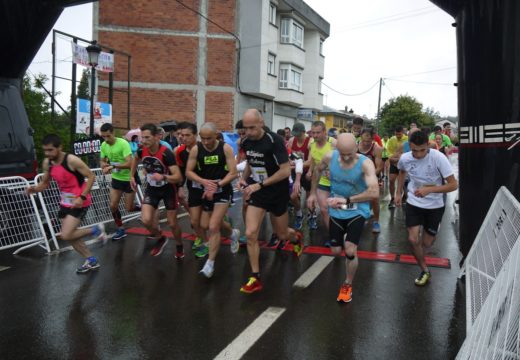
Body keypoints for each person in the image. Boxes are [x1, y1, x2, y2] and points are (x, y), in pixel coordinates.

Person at [307, 133, 379, 302]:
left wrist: (347, 200)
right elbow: (317, 171)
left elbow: (374, 192)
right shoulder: (330, 156)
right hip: (336, 209)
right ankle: (347, 240)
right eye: (342, 153)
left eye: (350, 153)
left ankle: (347, 283)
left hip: (356, 209)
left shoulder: (365, 163)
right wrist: (312, 194)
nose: (346, 157)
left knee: (350, 250)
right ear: (336, 149)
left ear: (356, 147)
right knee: (335, 251)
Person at [239, 109, 303, 294]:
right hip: (258, 193)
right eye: (246, 128)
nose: (249, 132)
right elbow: (251, 163)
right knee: (251, 234)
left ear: (261, 123)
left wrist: (261, 184)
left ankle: (295, 237)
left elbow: (284, 170)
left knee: (282, 235)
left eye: (252, 127)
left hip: (277, 191)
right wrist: (244, 178)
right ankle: (255, 277)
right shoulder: (246, 142)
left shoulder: (274, 141)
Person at [26, 134, 107, 273]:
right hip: (65, 201)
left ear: (60, 147)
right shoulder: (48, 163)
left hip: (80, 201)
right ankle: (91, 260)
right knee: (71, 236)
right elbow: (45, 183)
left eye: (50, 150)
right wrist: (33, 188)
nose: (47, 153)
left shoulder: (72, 160)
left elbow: (91, 176)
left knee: (66, 234)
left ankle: (96, 230)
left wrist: (81, 197)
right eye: (45, 150)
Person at [395, 130, 458, 286]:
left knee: (427, 244)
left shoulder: (439, 158)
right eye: (415, 150)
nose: (419, 154)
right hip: (414, 202)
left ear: (428, 146)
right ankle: (425, 270)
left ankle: (430, 233)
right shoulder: (405, 158)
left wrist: (429, 190)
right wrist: (398, 192)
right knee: (412, 239)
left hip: (435, 205)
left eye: (423, 150)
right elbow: (402, 171)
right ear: (410, 146)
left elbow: (453, 185)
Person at [186, 122, 239, 278]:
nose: (206, 142)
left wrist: (218, 184)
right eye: (203, 138)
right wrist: (203, 182)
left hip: (222, 189)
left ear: (216, 135)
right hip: (206, 189)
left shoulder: (225, 148)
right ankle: (232, 233)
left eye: (209, 138)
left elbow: (233, 173)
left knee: (213, 226)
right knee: (203, 224)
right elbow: (189, 172)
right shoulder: (197, 149)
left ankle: (210, 264)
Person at [130, 123, 184, 258]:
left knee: (172, 223)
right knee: (146, 220)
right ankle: (161, 238)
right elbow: (135, 159)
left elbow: (178, 176)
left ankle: (179, 245)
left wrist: (163, 176)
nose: (143, 141)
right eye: (142, 137)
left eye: (147, 137)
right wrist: (132, 176)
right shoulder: (142, 150)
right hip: (152, 188)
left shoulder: (166, 153)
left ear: (156, 137)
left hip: (168, 189)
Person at [99, 123, 138, 241]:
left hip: (129, 178)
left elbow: (130, 163)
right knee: (113, 205)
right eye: (103, 137)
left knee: (129, 208)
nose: (106, 139)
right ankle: (121, 228)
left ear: (113, 133)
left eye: (108, 136)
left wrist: (111, 167)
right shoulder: (104, 145)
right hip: (117, 179)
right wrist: (103, 165)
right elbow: (102, 160)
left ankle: (144, 208)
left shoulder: (123, 143)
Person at [174, 121, 207, 253]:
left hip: (210, 188)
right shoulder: (180, 151)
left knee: (210, 222)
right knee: (194, 220)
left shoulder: (204, 148)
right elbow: (181, 171)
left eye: (187, 135)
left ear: (195, 135)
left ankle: (230, 231)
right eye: (182, 135)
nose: (184, 138)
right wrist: (180, 187)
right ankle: (204, 241)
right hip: (193, 187)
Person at [307, 121, 336, 233]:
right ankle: (332, 236)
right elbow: (313, 161)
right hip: (321, 180)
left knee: (338, 209)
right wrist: (310, 170)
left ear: (324, 132)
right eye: (313, 133)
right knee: (324, 209)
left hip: (336, 182)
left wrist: (334, 172)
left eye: (318, 133)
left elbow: (346, 161)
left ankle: (341, 234)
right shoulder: (311, 145)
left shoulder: (333, 143)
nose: (315, 136)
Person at [287, 122, 313, 230]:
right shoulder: (292, 140)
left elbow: (311, 161)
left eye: (299, 134)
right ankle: (299, 214)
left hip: (307, 172)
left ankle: (312, 216)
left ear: (304, 132)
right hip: (294, 171)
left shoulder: (310, 142)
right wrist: (291, 164)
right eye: (295, 134)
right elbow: (288, 156)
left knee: (309, 199)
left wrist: (297, 164)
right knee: (293, 196)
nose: (296, 136)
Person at [357, 128, 384, 233]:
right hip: (357, 177)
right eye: (364, 141)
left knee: (374, 200)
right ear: (360, 138)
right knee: (358, 199)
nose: (366, 143)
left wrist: (368, 177)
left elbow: (379, 167)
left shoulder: (376, 148)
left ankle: (376, 222)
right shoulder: (355, 146)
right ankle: (360, 217)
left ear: (372, 139)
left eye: (368, 141)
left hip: (372, 175)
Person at [386, 125, 408, 208]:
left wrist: (400, 158)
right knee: (391, 180)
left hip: (403, 163)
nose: (398, 136)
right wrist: (392, 158)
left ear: (403, 132)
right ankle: (392, 198)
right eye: (396, 134)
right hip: (394, 162)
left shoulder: (407, 139)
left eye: (399, 134)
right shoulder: (392, 139)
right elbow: (389, 150)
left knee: (401, 182)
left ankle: (403, 196)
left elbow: (408, 151)